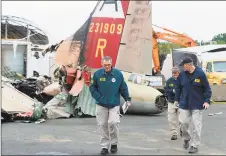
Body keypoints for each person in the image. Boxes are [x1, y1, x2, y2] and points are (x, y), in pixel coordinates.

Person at [89, 56, 131, 155]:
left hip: (114, 104)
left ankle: (114, 144)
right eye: (105, 65)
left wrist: (127, 99)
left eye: (108, 65)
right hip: (101, 105)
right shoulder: (97, 74)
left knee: (113, 123)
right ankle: (104, 146)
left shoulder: (118, 74)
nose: (107, 67)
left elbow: (123, 88)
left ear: (111, 64)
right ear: (102, 64)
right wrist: (99, 98)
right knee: (102, 125)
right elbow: (92, 88)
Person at [174, 56, 212, 154]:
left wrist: (207, 101)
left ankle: (194, 145)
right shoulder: (182, 75)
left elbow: (207, 88)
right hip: (184, 104)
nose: (182, 68)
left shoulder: (200, 74)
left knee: (196, 125)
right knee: (183, 123)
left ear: (189, 65)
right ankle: (186, 138)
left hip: (197, 104)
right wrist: (176, 100)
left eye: (183, 66)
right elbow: (178, 87)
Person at [164, 66, 180, 140]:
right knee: (171, 119)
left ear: (178, 73)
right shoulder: (169, 81)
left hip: (180, 102)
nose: (174, 74)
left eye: (176, 73)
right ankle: (174, 133)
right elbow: (166, 91)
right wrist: (172, 91)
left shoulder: (182, 80)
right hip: (171, 102)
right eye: (173, 73)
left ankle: (182, 130)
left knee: (182, 119)